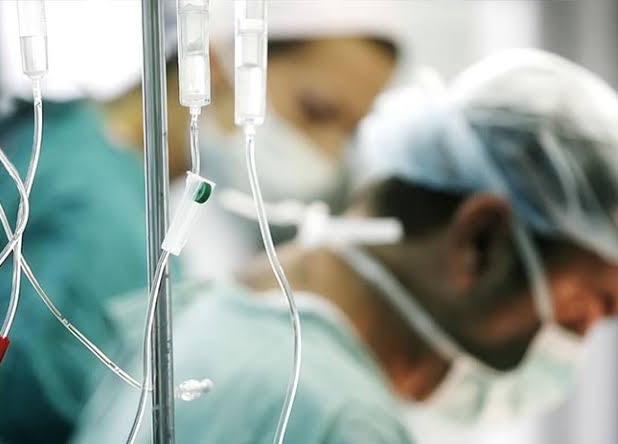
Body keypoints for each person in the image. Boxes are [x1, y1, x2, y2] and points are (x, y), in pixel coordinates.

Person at [70, 49, 618, 444]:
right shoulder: (340, 419)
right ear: (481, 243)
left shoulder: (192, 324)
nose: (577, 346)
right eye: (589, 307)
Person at [0, 2, 150, 442]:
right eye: (298, 106)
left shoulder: (53, 140)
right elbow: (13, 397)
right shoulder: (98, 205)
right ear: (215, 71)